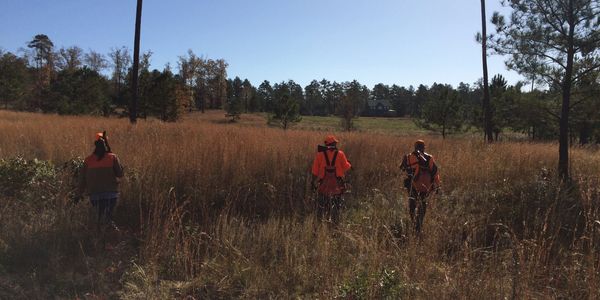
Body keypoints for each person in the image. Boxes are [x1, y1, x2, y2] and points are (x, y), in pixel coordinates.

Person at [78, 132, 124, 230]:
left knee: (99, 218)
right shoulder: (112, 157)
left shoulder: (88, 160)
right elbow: (120, 174)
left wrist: (78, 195)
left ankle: (100, 236)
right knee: (107, 217)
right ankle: (111, 234)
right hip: (111, 194)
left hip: (94, 194)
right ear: (106, 144)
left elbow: (82, 180)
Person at [400, 139, 440, 234]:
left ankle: (413, 223)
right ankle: (419, 225)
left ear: (415, 147)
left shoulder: (408, 157)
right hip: (425, 186)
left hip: (412, 186)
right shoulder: (429, 158)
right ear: (424, 147)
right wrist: (437, 186)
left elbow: (402, 168)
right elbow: (435, 172)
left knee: (412, 205)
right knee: (422, 205)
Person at [311, 135, 352, 223]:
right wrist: (349, 163)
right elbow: (346, 168)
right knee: (336, 208)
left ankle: (320, 224)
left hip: (323, 186)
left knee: (321, 208)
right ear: (333, 144)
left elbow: (314, 172)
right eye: (335, 143)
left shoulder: (319, 154)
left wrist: (312, 183)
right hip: (337, 187)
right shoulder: (340, 154)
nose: (336, 144)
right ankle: (335, 224)